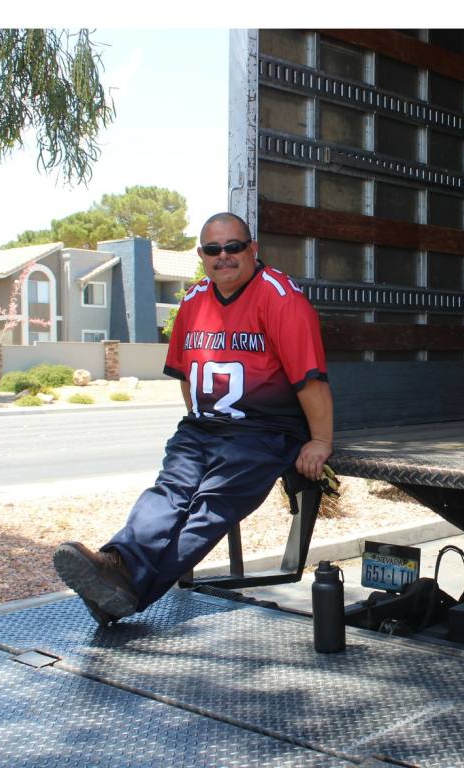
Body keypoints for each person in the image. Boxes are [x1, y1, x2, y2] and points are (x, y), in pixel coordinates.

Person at [53, 212, 333, 625]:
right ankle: (116, 565)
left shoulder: (281, 298)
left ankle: (121, 584)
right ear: (201, 255)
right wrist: (200, 424)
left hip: (264, 430)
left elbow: (311, 381)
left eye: (234, 247)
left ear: (252, 249)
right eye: (213, 249)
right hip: (204, 426)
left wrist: (320, 441)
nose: (224, 256)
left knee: (209, 505)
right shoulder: (193, 299)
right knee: (168, 493)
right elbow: (186, 376)